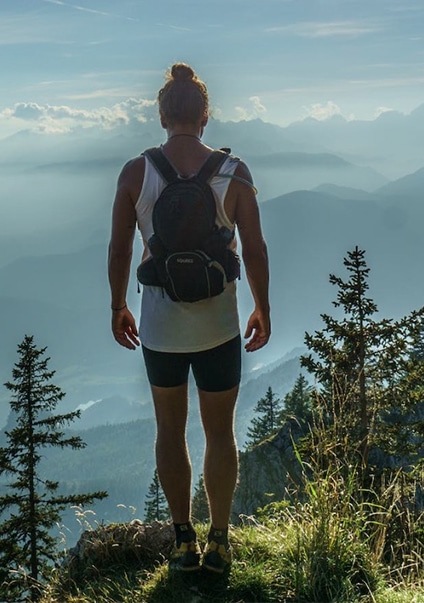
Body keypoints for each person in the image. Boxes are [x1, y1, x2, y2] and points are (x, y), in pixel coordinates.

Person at [107, 62, 271, 575]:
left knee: (169, 430)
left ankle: (182, 543)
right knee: (220, 433)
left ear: (162, 115)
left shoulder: (137, 172)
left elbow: (119, 246)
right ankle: (220, 542)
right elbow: (256, 247)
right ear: (205, 115)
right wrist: (262, 307)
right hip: (219, 326)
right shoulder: (234, 172)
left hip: (161, 329)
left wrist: (118, 305)